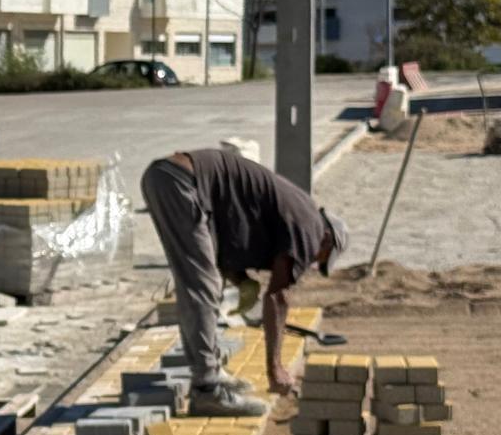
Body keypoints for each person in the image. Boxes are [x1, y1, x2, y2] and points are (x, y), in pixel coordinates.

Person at [141, 147, 348, 416]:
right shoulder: (310, 228)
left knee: (201, 282)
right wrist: (275, 368)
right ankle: (207, 389)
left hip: (171, 179)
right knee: (202, 286)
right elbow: (278, 297)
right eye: (319, 258)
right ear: (327, 239)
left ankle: (209, 373)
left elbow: (222, 249)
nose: (310, 263)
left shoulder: (296, 212)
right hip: (181, 183)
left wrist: (242, 282)